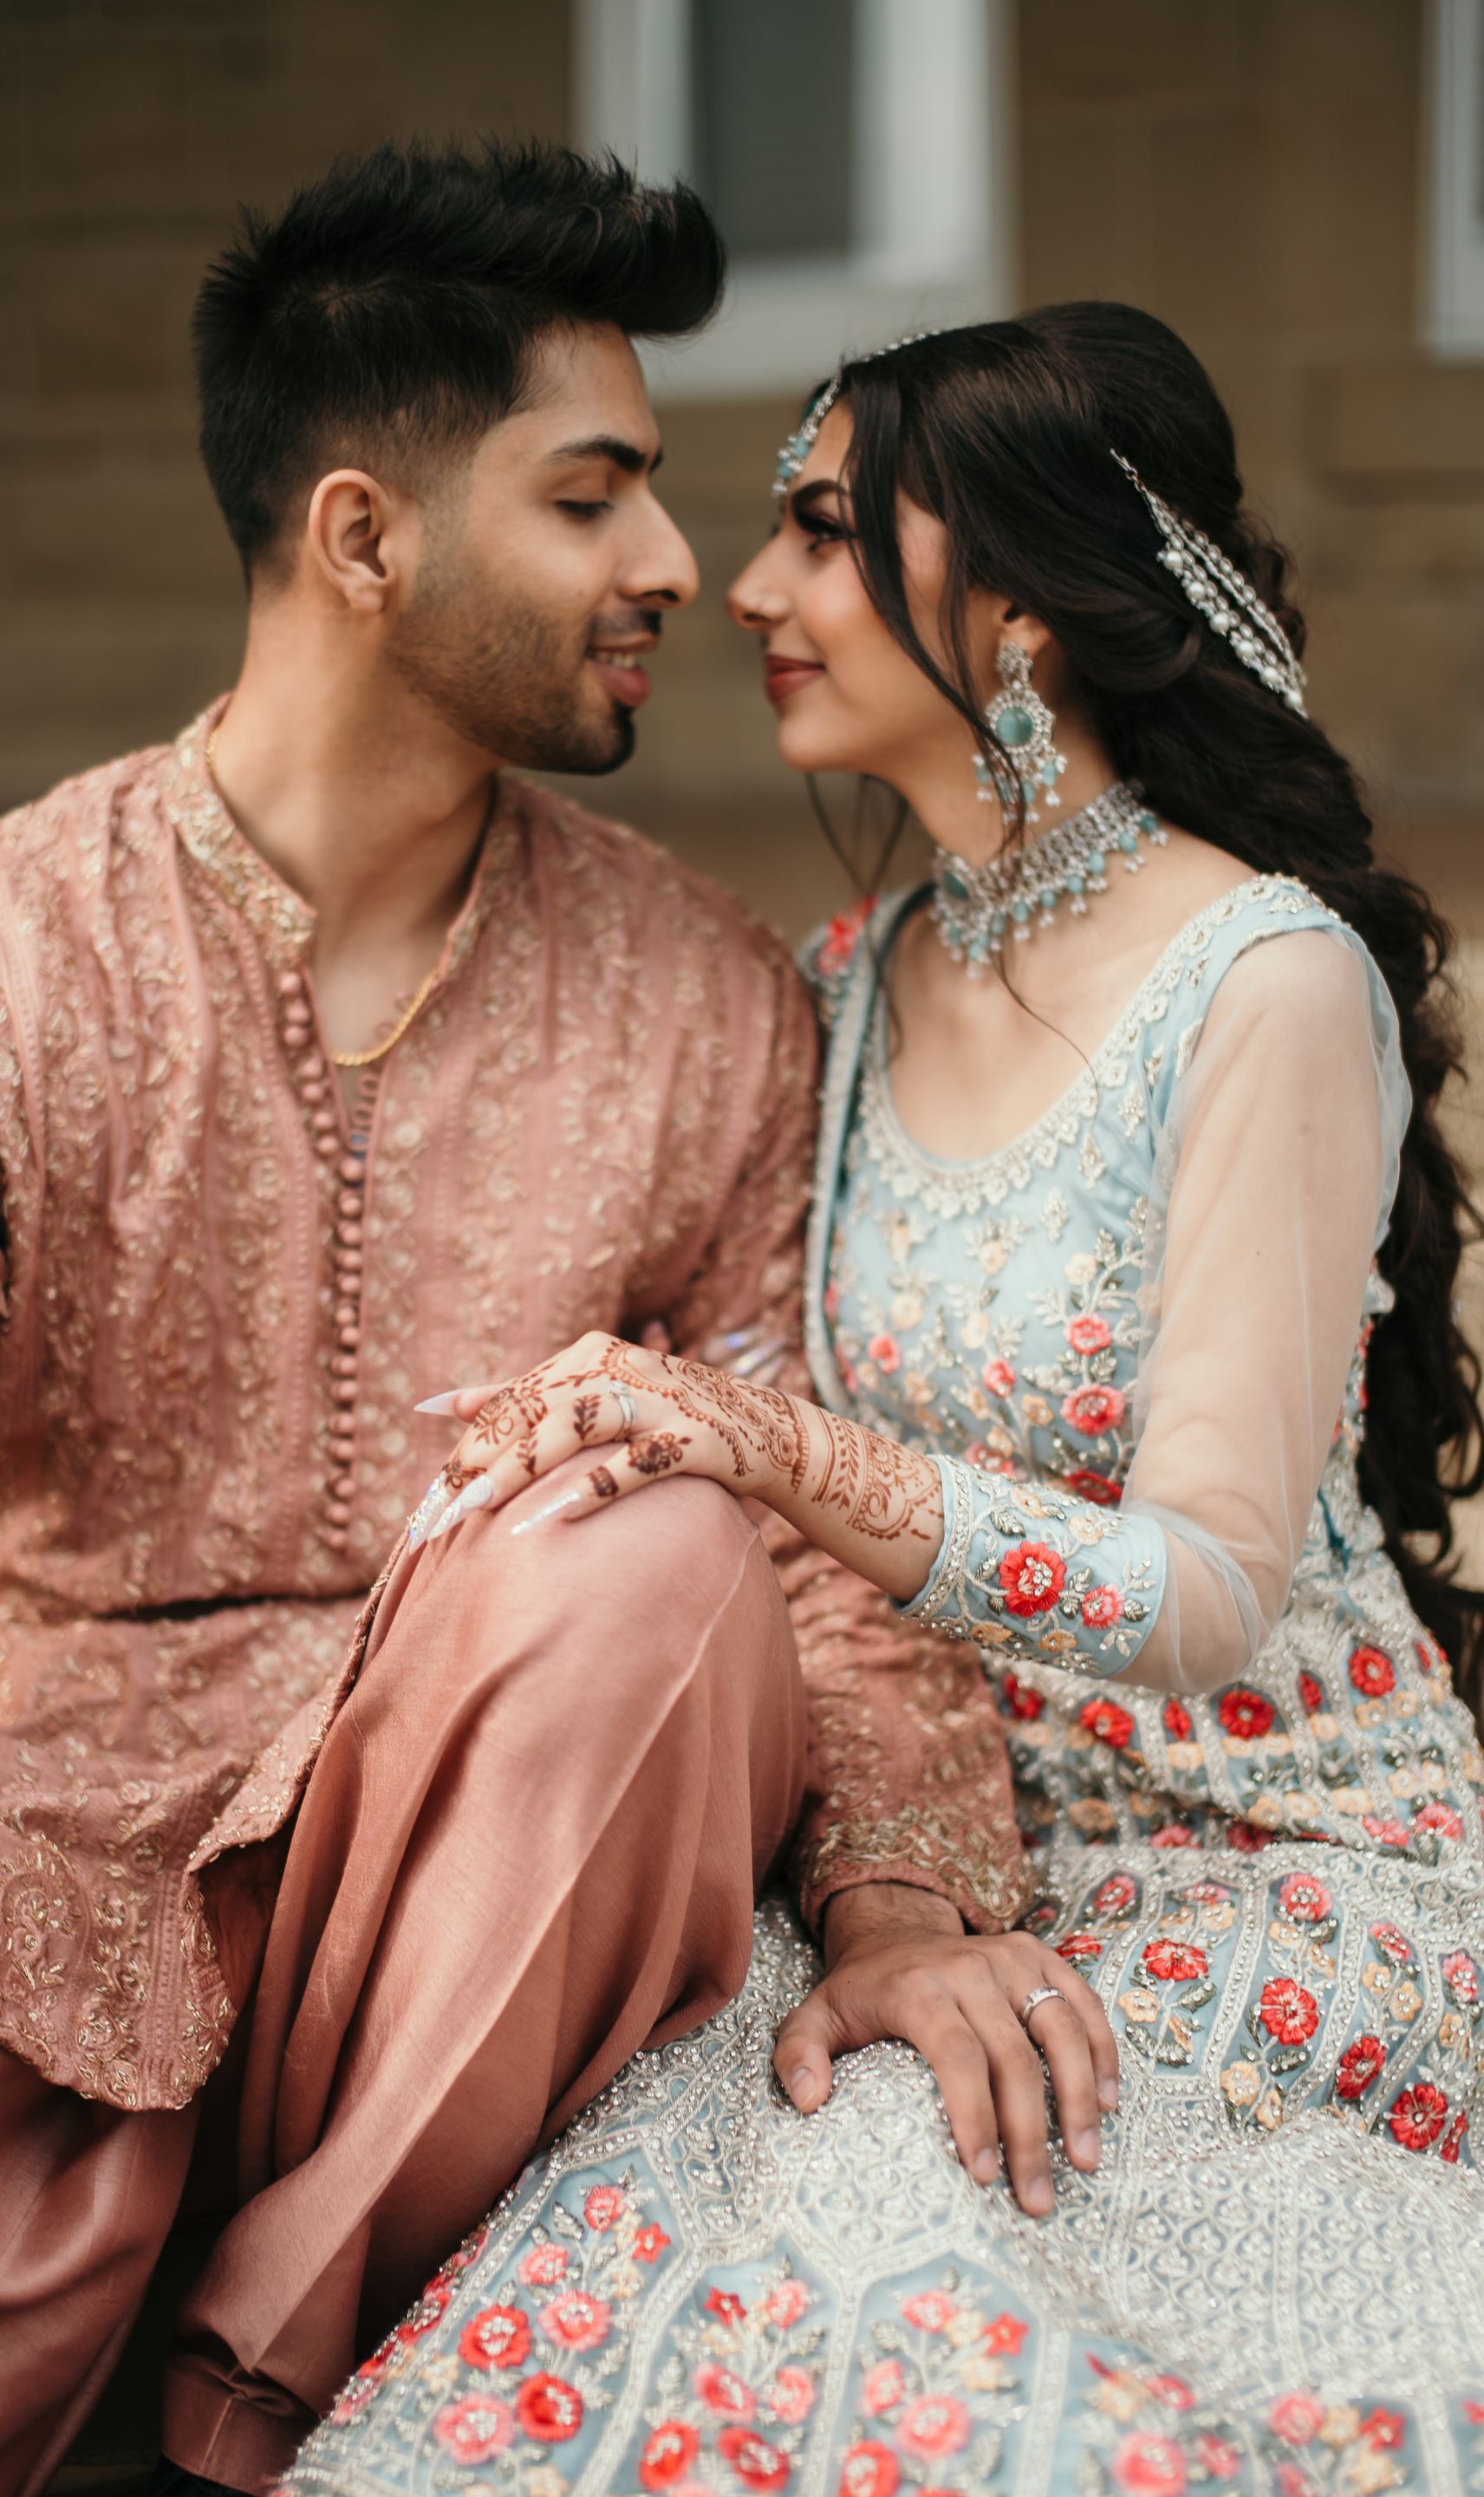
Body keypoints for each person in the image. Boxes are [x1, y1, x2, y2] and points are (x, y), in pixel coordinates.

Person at [0, 145, 1057, 2497]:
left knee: (657, 1546)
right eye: (594, 496)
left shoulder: (700, 998)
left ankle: (264, 2420)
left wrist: (897, 1913)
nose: (682, 568)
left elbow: (813, 1531)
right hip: (44, 1874)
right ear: (367, 541)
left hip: (511, 1875)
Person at [286, 305, 1484, 2494]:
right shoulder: (851, 987)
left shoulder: (1267, 985)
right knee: (650, 2216)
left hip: (1258, 1847)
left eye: (824, 531)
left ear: (1020, 609)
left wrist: (786, 1456)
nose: (746, 590)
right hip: (921, 1841)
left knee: (927, 2246)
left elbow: (1214, 1588)